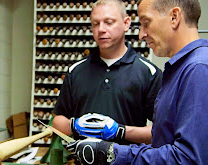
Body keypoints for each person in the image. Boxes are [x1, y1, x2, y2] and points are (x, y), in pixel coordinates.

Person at [67, 0, 208, 164]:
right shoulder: (180, 69)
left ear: (174, 17)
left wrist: (112, 152)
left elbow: (187, 159)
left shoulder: (198, 69)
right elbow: (163, 139)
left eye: (146, 23)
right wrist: (118, 133)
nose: (141, 34)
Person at [52, 0, 162, 145]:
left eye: (109, 22)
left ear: (126, 23)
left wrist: (121, 131)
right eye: (95, 24)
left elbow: (160, 131)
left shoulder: (149, 73)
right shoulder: (76, 71)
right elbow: (58, 121)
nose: (101, 29)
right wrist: (74, 125)